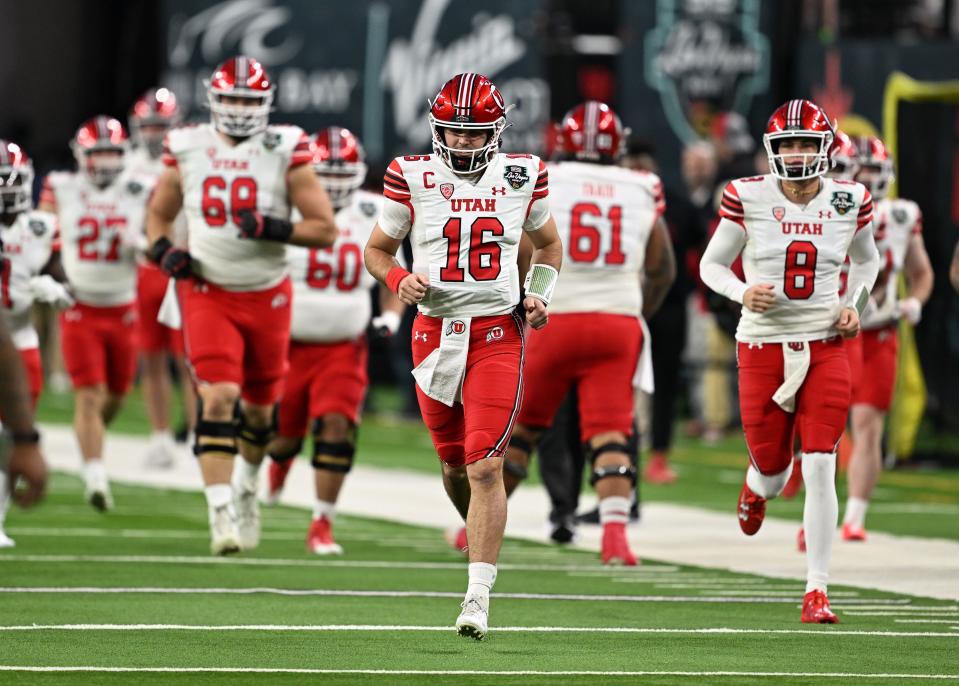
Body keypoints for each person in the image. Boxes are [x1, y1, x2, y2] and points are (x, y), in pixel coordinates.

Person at [364, 72, 562, 639]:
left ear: (495, 131)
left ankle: (477, 594)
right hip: (433, 332)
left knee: (486, 464)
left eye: (475, 134)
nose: (465, 144)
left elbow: (548, 245)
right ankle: (481, 538)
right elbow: (377, 250)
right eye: (455, 133)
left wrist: (540, 293)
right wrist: (398, 277)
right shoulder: (411, 174)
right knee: (454, 465)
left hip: (498, 331)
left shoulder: (523, 174)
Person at [146, 56, 338, 555]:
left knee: (259, 412)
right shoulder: (188, 146)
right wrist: (164, 252)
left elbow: (324, 228)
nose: (237, 109)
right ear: (213, 100)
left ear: (265, 105)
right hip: (207, 289)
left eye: (247, 100)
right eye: (230, 98)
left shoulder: (283, 147)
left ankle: (247, 487)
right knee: (218, 395)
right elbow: (158, 217)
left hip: (268, 292)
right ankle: (219, 513)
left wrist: (275, 227)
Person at [699, 99, 880, 623]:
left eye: (806, 144)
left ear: (826, 150)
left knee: (822, 462)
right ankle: (757, 487)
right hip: (762, 345)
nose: (798, 154)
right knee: (776, 473)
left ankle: (817, 589)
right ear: (771, 150)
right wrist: (741, 290)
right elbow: (712, 265)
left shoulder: (850, 199)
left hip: (825, 343)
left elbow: (868, 262)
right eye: (788, 145)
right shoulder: (748, 195)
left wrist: (856, 306)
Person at [498, 101, 674, 566]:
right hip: (617, 321)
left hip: (557, 315)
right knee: (612, 431)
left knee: (521, 430)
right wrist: (636, 312)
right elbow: (662, 268)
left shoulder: (544, 175)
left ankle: (473, 526)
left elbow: (521, 250)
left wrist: (523, 300)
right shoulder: (642, 184)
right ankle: (615, 537)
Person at [264, 126, 403, 555]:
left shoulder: (373, 209)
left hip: (344, 344)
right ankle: (278, 466)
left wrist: (391, 319)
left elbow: (392, 273)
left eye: (344, 173)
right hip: (288, 343)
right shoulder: (286, 204)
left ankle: (322, 521)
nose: (336, 184)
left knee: (337, 427)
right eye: (326, 173)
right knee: (282, 434)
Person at [39, 116, 155, 512]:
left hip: (123, 307)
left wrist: (144, 243)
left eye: (111, 152)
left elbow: (162, 235)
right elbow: (41, 237)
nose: (105, 161)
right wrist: (53, 273)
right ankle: (95, 474)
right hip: (80, 305)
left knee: (118, 395)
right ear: (81, 155)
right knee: (89, 395)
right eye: (98, 152)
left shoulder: (141, 188)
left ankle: (89, 443)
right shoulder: (62, 187)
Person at [840, 135, 933, 540]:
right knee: (819, 425)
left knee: (868, 424)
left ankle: (854, 518)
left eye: (872, 169)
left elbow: (921, 272)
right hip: (832, 330)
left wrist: (915, 301)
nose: (864, 176)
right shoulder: (827, 208)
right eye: (857, 168)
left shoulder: (901, 215)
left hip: (877, 332)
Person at [0, 140, 69, 545]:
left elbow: (60, 273)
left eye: (13, 181)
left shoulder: (41, 226)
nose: (8, 190)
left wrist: (54, 285)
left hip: (21, 340)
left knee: (13, 434)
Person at [127, 87, 196, 468]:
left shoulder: (186, 156)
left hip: (180, 267)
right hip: (144, 268)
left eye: (160, 126)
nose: (153, 134)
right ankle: (159, 436)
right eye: (148, 126)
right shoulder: (126, 163)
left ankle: (195, 437)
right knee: (150, 358)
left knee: (187, 359)